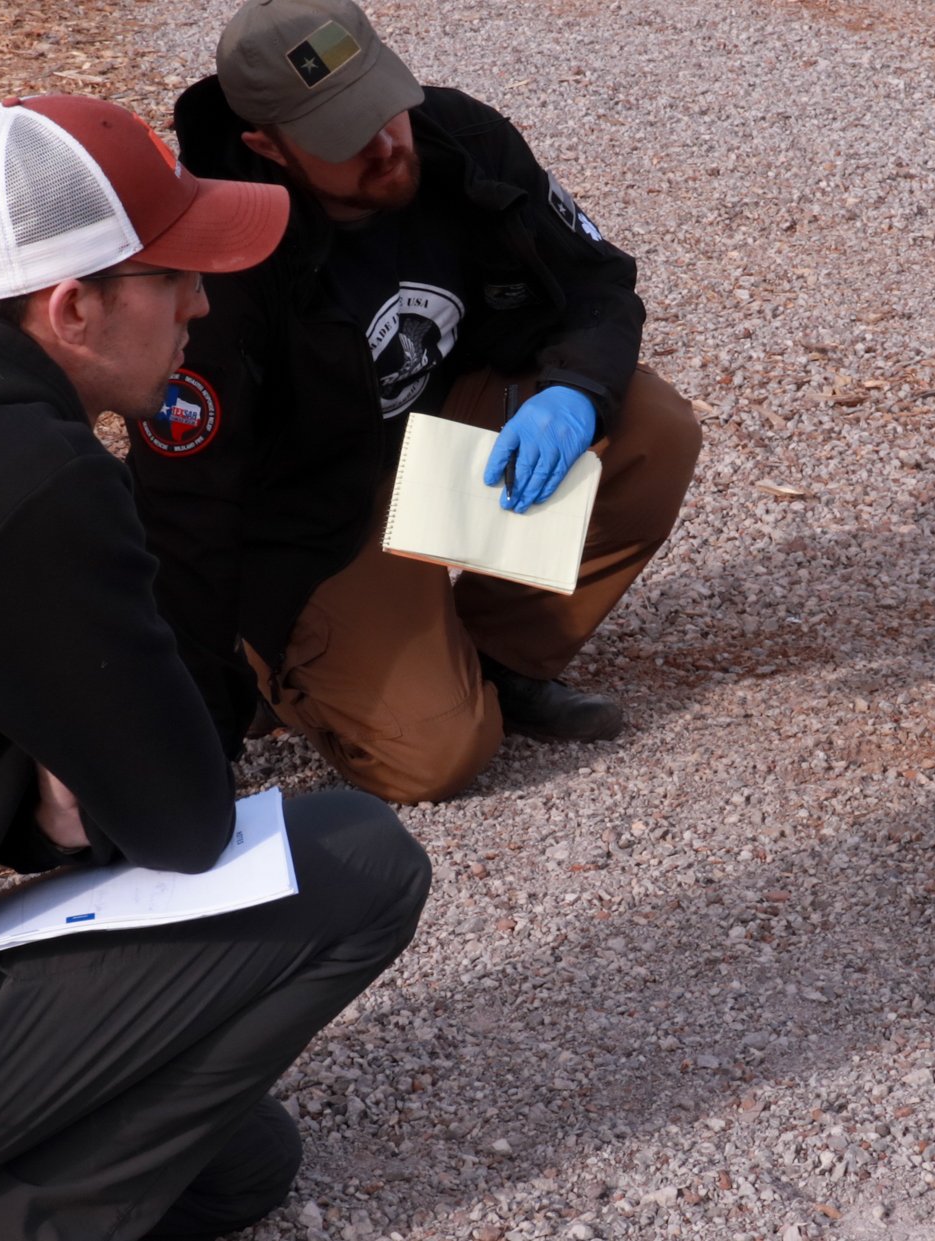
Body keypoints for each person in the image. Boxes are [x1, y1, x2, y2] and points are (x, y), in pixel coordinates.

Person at [0, 95, 431, 1239]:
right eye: (172, 274)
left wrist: (46, 809)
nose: (200, 302)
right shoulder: (28, 479)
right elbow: (181, 824)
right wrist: (64, 800)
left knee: (236, 1164)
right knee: (355, 859)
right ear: (72, 305)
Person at [128, 0, 703, 804]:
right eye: (345, 136)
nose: (386, 145)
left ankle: (499, 661)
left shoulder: (460, 140)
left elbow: (595, 280)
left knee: (648, 430)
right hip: (313, 515)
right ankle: (282, 672)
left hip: (436, 435)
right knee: (434, 759)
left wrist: (573, 390)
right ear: (270, 147)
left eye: (381, 106)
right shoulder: (218, 262)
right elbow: (184, 502)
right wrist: (199, 707)